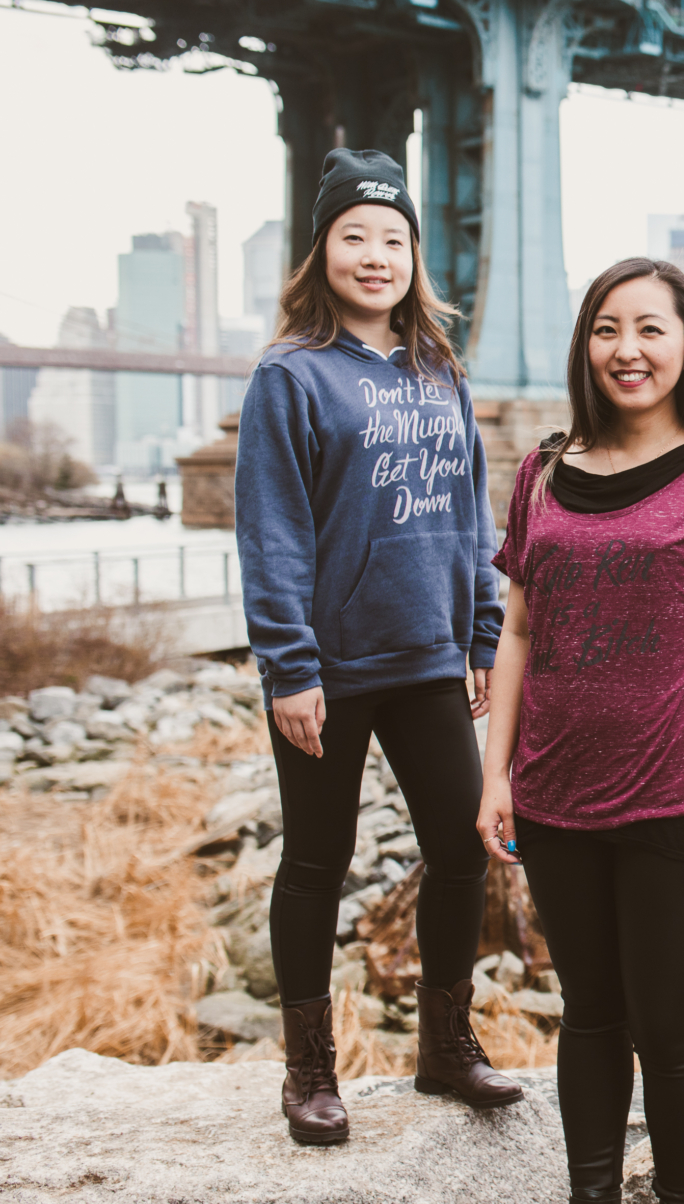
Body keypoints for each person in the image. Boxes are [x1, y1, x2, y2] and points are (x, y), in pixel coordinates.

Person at [476, 257, 684, 1204]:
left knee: (668, 1024)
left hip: (674, 798)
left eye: (652, 328)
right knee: (591, 1015)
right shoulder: (541, 472)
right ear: (585, 345)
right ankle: (592, 1192)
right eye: (609, 328)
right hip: (557, 793)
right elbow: (517, 630)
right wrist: (496, 776)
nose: (628, 350)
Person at [236, 148, 520, 1145]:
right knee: (318, 859)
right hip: (332, 667)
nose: (375, 255)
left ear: (413, 258)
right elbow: (272, 529)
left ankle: (445, 1047)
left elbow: (472, 512)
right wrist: (289, 666)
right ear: (321, 252)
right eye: (353, 236)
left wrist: (483, 630)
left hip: (430, 660)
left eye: (393, 239)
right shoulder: (290, 377)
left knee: (460, 848)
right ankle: (308, 1071)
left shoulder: (440, 368)